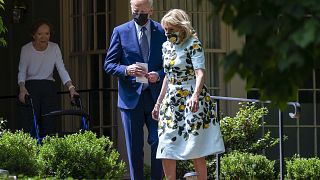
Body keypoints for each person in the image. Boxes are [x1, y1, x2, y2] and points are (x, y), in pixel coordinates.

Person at [151, 9, 225, 180]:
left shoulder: (193, 44)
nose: (168, 33)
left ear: (181, 27)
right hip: (172, 99)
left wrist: (195, 96)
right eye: (166, 30)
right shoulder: (166, 47)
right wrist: (158, 103)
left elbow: (200, 73)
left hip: (192, 98)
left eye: (171, 29)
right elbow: (168, 77)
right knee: (166, 145)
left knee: (194, 146)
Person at [104, 0, 166, 179]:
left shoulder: (162, 31)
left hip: (156, 99)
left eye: (143, 11)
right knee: (134, 147)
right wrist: (126, 70)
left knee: (158, 142)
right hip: (131, 99)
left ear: (151, 10)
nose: (139, 14)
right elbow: (109, 64)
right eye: (135, 10)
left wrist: (159, 75)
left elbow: (170, 66)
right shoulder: (120, 31)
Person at [18, 19, 78, 138]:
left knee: (49, 123)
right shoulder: (26, 49)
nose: (44, 37)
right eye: (40, 34)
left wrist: (71, 87)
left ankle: (48, 153)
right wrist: (22, 88)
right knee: (30, 124)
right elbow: (22, 70)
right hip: (31, 88)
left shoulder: (54, 48)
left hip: (48, 87)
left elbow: (61, 69)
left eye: (47, 33)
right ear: (33, 35)